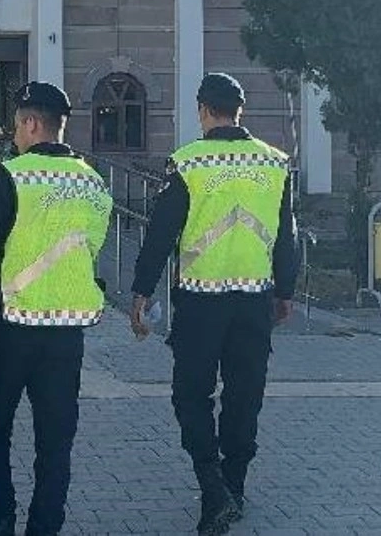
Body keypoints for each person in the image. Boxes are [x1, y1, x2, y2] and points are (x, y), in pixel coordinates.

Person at [129, 72, 299, 536]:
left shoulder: (188, 163)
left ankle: (212, 487)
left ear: (203, 110)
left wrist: (141, 291)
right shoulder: (274, 162)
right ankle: (234, 488)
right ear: (241, 111)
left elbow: (161, 233)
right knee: (245, 395)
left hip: (201, 303)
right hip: (254, 301)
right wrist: (285, 291)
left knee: (191, 395)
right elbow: (287, 235)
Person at [0, 81, 114, 536]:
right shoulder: (93, 180)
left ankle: (1, 522)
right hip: (67, 333)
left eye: (15, 127)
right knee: (55, 443)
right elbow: (93, 250)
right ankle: (45, 527)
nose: (14, 136)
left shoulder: (11, 176)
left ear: (29, 123)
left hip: (9, 328)